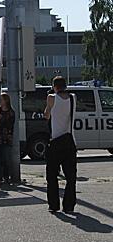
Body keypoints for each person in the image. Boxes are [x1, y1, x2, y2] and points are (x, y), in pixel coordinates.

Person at [44, 76, 77, 213]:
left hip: (56, 141)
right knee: (71, 177)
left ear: (54, 86)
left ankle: (54, 205)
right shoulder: (73, 97)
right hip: (70, 140)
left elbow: (46, 115)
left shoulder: (52, 98)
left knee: (52, 175)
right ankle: (69, 205)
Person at [0, 93, 15, 185]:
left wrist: (1, 118)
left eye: (1, 100)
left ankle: (6, 176)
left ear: (6, 101)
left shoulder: (11, 112)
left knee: (6, 158)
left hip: (6, 138)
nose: (0, 101)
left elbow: (10, 125)